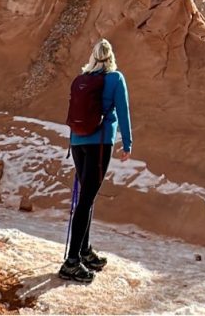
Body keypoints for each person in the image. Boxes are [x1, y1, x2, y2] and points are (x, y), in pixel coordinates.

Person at [59, 38, 132, 282]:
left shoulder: (81, 79)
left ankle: (84, 251)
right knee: (87, 198)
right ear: (110, 56)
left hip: (78, 143)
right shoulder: (115, 78)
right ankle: (71, 262)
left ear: (93, 56)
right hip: (99, 143)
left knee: (86, 197)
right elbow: (123, 112)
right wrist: (128, 144)